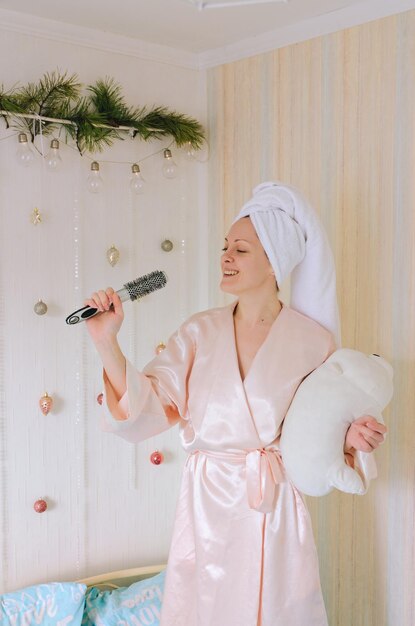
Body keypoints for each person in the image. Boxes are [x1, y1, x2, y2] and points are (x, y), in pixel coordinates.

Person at [85, 182, 386, 626]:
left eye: (241, 250)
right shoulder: (197, 333)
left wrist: (352, 436)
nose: (225, 257)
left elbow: (322, 427)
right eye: (225, 247)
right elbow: (149, 406)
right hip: (208, 505)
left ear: (274, 262)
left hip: (276, 506)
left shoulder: (313, 341)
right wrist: (106, 341)